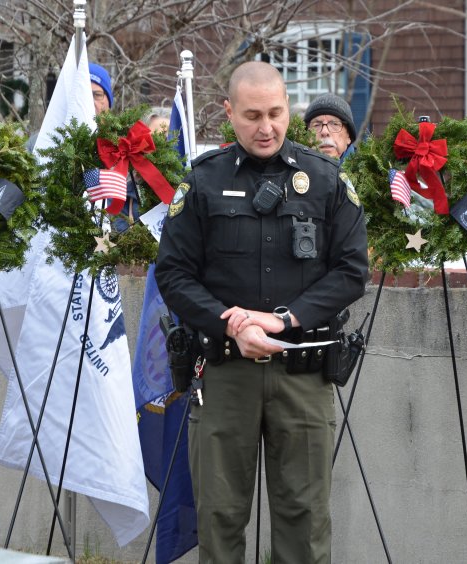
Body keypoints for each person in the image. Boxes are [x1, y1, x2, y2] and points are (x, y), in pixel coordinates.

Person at [155, 61, 369, 563]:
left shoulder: (326, 181)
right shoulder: (203, 182)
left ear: (289, 108)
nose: (266, 127)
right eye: (252, 115)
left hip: (302, 376)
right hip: (225, 374)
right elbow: (174, 274)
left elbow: (351, 272)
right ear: (229, 112)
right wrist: (230, 321)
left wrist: (284, 319)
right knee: (220, 520)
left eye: (275, 113)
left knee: (304, 524)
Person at [303, 93, 357, 162]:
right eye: (316, 125)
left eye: (334, 124)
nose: (324, 132)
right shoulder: (294, 166)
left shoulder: (367, 167)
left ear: (349, 136)